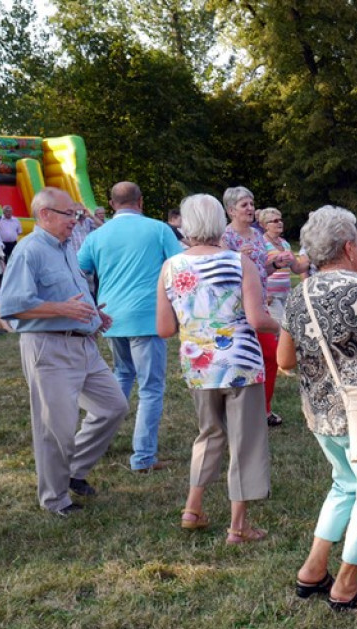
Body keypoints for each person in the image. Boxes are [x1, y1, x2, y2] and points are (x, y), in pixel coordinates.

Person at [278, 205, 357, 611]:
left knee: (344, 485)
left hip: (320, 411)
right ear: (351, 247)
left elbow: (284, 361)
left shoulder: (300, 294)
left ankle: (313, 571)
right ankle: (346, 586)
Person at [0, 188, 129, 516]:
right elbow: (11, 305)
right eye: (68, 214)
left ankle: (73, 470)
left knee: (113, 406)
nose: (76, 220)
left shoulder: (66, 247)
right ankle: (55, 499)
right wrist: (61, 310)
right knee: (55, 428)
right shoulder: (29, 250)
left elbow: (74, 291)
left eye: (75, 214)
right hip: (50, 347)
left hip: (84, 344)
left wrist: (94, 315)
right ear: (44, 215)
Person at [156, 194, 278, 542]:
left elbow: (164, 329)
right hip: (241, 363)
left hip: (199, 364)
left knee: (208, 434)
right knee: (246, 442)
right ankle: (238, 527)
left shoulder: (171, 267)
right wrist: (281, 326)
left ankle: (192, 507)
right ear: (217, 222)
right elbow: (256, 318)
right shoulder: (239, 262)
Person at [77, 181, 182, 473]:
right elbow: (179, 265)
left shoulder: (98, 235)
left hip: (111, 317)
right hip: (148, 317)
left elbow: (77, 270)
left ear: (111, 204)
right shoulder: (159, 229)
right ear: (141, 201)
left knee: (121, 375)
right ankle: (143, 457)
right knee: (150, 387)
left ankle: (100, 437)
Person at [222, 186, 289, 427]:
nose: (250, 209)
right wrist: (235, 256)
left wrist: (277, 265)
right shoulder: (226, 238)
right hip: (237, 310)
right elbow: (222, 274)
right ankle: (237, 412)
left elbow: (263, 269)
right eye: (244, 205)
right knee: (242, 360)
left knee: (270, 356)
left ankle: (264, 408)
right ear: (231, 210)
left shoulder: (257, 235)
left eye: (251, 204)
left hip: (261, 304)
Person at [261, 207, 309, 323]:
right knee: (280, 327)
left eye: (280, 220)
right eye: (275, 221)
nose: (280, 223)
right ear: (265, 225)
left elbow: (297, 268)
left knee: (289, 325)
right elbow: (258, 269)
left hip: (286, 294)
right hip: (271, 296)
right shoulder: (261, 242)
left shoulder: (285, 244)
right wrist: (265, 294)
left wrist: (313, 258)